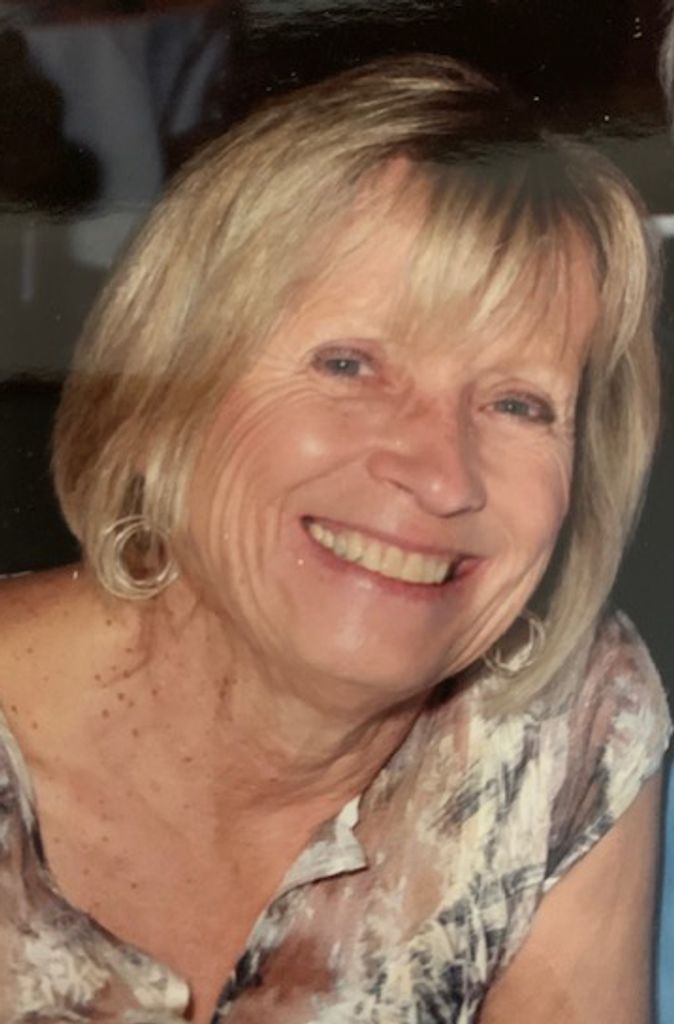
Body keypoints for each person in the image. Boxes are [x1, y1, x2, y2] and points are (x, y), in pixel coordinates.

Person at [0, 54, 669, 1024]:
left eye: (518, 403)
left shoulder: (563, 728)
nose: (442, 476)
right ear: (165, 386)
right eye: (350, 363)